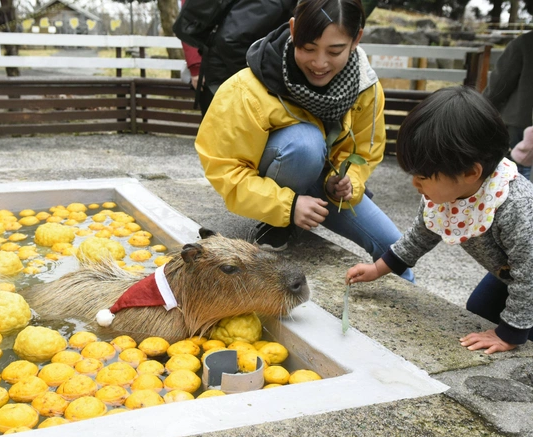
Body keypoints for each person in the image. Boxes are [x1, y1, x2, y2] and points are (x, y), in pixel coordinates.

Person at [194, 0, 414, 282]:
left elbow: (364, 153)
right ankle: (277, 225)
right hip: (278, 178)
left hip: (322, 184)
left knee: (395, 250)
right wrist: (288, 205)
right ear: (294, 29)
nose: (320, 63)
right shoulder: (245, 87)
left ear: (356, 38)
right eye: (308, 48)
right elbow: (225, 169)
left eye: (335, 51)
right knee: (305, 143)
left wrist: (346, 181)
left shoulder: (366, 87)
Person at [346, 86, 533, 355]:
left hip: (527, 272)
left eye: (422, 177)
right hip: (511, 273)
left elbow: (529, 275)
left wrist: (509, 335)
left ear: (471, 172)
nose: (414, 183)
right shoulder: (445, 193)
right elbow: (420, 236)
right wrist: (377, 269)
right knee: (480, 310)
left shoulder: (514, 205)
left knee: (516, 326)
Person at [483, 30, 533, 179]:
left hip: (521, 118)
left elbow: (499, 85)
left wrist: (480, 110)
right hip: (522, 119)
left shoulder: (525, 43)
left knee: (515, 170)